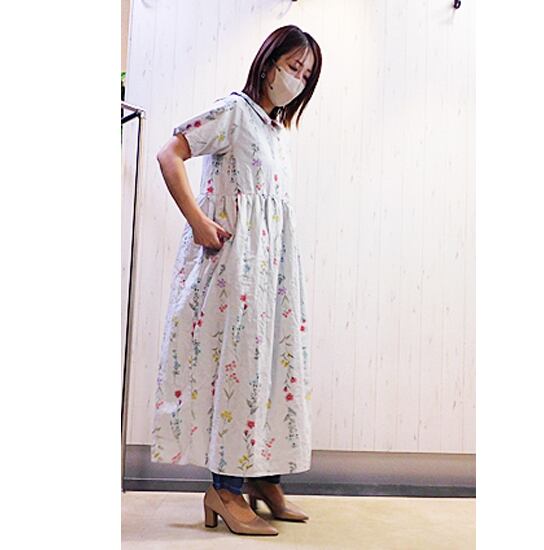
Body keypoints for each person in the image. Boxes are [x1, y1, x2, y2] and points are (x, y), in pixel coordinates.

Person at [152, 24, 322, 536]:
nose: (298, 79)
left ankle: (262, 479)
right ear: (268, 64)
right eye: (293, 67)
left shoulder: (273, 131)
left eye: (306, 74)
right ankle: (224, 490)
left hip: (270, 273)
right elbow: (170, 154)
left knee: (270, 367)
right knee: (239, 370)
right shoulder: (234, 112)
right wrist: (198, 221)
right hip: (235, 270)